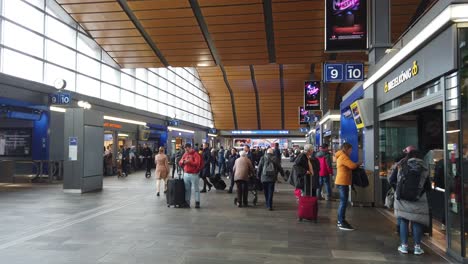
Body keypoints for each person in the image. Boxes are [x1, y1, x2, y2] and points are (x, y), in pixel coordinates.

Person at [389, 150, 430, 255]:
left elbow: (391, 179)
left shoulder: (402, 165)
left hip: (402, 199)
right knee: (417, 222)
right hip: (418, 200)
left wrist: (398, 189)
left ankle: (404, 246)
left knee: (403, 220)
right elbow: (428, 186)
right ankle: (417, 248)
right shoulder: (424, 167)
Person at [335, 143, 362, 231]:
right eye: (350, 150)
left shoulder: (341, 155)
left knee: (343, 202)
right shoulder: (343, 156)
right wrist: (358, 164)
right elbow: (352, 166)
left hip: (342, 181)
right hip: (342, 182)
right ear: (346, 149)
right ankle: (341, 221)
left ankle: (340, 220)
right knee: (343, 202)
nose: (351, 152)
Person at [179, 143, 203, 208]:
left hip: (194, 174)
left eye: (187, 149)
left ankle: (197, 202)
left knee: (196, 189)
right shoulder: (185, 154)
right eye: (185, 149)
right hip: (186, 174)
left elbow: (197, 163)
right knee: (187, 189)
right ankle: (187, 202)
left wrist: (190, 162)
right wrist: (183, 162)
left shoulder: (196, 154)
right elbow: (180, 162)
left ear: (190, 147)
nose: (186, 150)